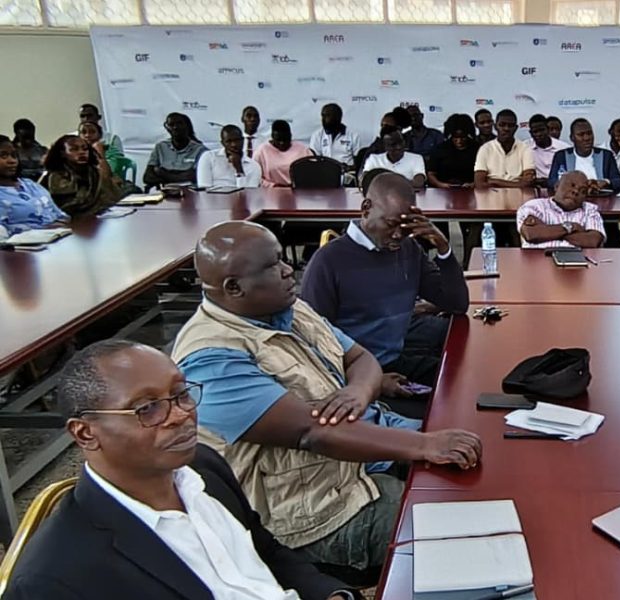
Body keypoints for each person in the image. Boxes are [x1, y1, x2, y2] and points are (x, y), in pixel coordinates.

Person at [172, 220, 482, 573]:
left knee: (482, 466)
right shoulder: (212, 359)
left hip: (360, 454)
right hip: (317, 509)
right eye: (273, 265)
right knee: (455, 531)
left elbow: (362, 358)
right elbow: (313, 433)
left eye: (282, 259)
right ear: (234, 287)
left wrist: (357, 392)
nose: (288, 270)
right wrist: (425, 444)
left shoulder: (287, 308)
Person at [3, 340, 360, 600]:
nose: (180, 415)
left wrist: (330, 594)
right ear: (85, 433)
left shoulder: (203, 466)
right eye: (146, 408)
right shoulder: (54, 578)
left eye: (181, 394)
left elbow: (263, 549)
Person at [301, 172, 469, 387]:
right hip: (354, 376)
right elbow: (313, 343)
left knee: (465, 375)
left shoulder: (408, 249)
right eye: (391, 224)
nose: (398, 234)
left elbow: (456, 304)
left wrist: (443, 248)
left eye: (406, 226)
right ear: (366, 208)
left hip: (395, 359)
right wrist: (374, 382)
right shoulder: (328, 261)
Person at [0, 135, 68, 240]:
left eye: (14, 155)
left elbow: (60, 216)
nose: (12, 161)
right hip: (22, 247)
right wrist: (45, 229)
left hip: (59, 238)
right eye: (3, 156)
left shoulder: (30, 184)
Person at [516, 171, 605, 249]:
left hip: (578, 261)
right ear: (556, 186)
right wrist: (571, 227)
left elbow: (593, 241)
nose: (576, 191)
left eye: (583, 191)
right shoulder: (534, 206)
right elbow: (531, 234)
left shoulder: (590, 210)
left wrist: (547, 232)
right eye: (572, 185)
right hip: (538, 260)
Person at [40, 134, 121, 216]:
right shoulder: (55, 176)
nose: (81, 152)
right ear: (63, 153)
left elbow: (111, 198)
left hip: (97, 218)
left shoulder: (95, 173)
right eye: (74, 149)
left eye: (85, 149)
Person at [548, 119, 620, 193]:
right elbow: (551, 181)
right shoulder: (561, 156)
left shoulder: (606, 155)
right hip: (572, 198)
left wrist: (606, 182)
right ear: (572, 138)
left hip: (600, 198)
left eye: (589, 133)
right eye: (581, 135)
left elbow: (619, 182)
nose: (587, 138)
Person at [473, 109, 534, 188]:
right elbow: (479, 184)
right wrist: (517, 184)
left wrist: (495, 181)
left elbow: (528, 183)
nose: (506, 129)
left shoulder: (525, 148)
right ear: (495, 126)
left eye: (510, 125)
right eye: (502, 125)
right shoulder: (485, 149)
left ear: (516, 128)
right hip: (491, 193)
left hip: (518, 193)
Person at [143, 113, 207, 188]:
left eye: (179, 123)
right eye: (171, 125)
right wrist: (181, 176)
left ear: (187, 126)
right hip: (163, 190)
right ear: (167, 129)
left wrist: (163, 173)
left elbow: (196, 176)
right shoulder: (160, 147)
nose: (175, 127)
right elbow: (148, 177)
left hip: (189, 191)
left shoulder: (200, 150)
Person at [196, 124, 262, 189]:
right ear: (223, 143)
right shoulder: (208, 157)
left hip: (240, 196)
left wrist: (239, 169)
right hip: (213, 195)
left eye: (237, 140)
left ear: (243, 140)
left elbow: (248, 193)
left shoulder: (254, 166)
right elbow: (203, 189)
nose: (233, 145)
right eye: (229, 141)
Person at [254, 120, 313, 188]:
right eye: (278, 140)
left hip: (299, 190)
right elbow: (255, 178)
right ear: (272, 136)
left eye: (285, 139)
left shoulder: (303, 149)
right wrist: (273, 186)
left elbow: (312, 172)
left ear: (290, 136)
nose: (282, 143)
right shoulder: (261, 151)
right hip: (271, 191)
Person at [427, 113, 478, 188]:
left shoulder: (478, 149)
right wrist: (440, 184)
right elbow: (431, 174)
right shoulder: (440, 149)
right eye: (455, 137)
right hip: (444, 190)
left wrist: (473, 184)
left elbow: (485, 174)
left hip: (471, 189)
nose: (459, 141)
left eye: (463, 137)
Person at [309, 103, 361, 172]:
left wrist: (348, 168)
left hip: (346, 173)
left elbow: (359, 163)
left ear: (338, 118)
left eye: (327, 116)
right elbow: (314, 160)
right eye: (323, 116)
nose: (323, 119)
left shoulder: (353, 135)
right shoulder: (317, 135)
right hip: (324, 173)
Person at [526, 113, 570, 183]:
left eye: (542, 130)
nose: (539, 134)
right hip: (536, 185)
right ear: (530, 133)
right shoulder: (526, 147)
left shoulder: (564, 148)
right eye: (535, 132)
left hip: (559, 185)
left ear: (547, 129)